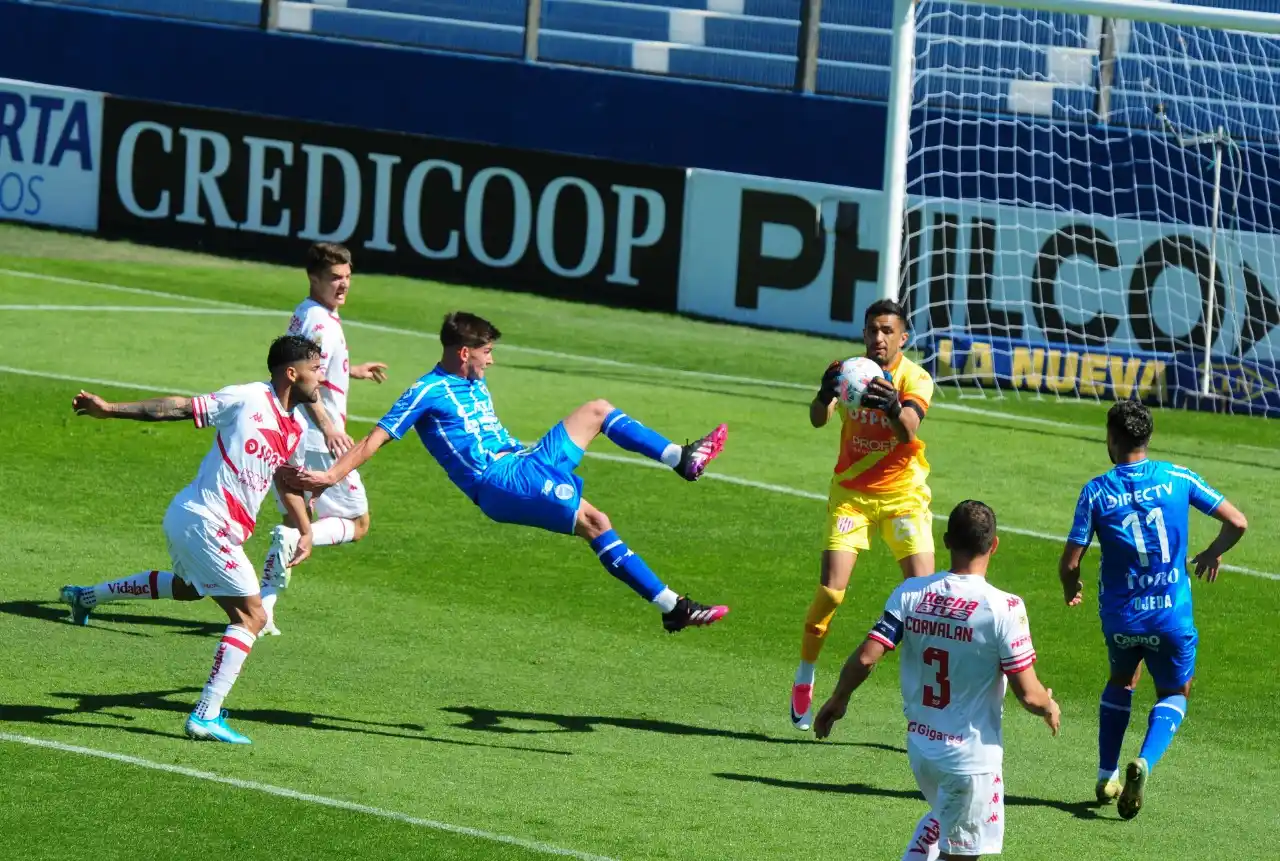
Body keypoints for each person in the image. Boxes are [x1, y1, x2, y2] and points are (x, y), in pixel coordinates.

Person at [288, 311, 731, 634]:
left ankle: (680, 461)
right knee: (596, 521)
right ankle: (674, 604)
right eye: (487, 353)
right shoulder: (426, 391)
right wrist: (329, 477)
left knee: (598, 412)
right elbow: (375, 439)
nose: (491, 361)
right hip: (500, 482)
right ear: (464, 352)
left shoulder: (473, 381)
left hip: (524, 459)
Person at [58, 335, 324, 744]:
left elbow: (285, 481)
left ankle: (86, 597)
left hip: (198, 521)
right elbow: (179, 407)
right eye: (316, 369)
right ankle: (206, 714)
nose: (322, 377)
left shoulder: (296, 428)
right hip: (205, 521)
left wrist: (305, 529)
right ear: (292, 373)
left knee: (189, 589)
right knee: (252, 617)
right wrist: (110, 410)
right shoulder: (249, 398)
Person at [814, 500, 1060, 861]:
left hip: (922, 750)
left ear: (946, 541)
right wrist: (1049, 705)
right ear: (994, 545)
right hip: (969, 761)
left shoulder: (911, 592)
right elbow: (1030, 695)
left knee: (944, 818)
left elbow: (867, 657)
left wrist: (839, 698)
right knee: (961, 855)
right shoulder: (1004, 608)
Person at [1059, 399, 1247, 818]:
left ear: (1111, 439)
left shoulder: (1096, 491)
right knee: (1175, 692)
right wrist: (1212, 553)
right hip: (1170, 616)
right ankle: (1143, 761)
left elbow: (1070, 563)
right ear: (1148, 437)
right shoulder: (1178, 476)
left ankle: (1106, 774)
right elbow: (1237, 522)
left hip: (1122, 618)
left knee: (1122, 680)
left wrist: (1072, 587)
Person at [792, 298, 937, 731]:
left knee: (924, 600)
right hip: (851, 496)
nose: (879, 338)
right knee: (831, 592)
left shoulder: (916, 378)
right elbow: (818, 420)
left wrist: (892, 406)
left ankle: (925, 700)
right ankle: (805, 673)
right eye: (872, 330)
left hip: (903, 497)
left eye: (887, 331)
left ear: (903, 337)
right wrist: (824, 393)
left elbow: (907, 430)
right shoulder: (849, 371)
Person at [259, 242, 389, 636]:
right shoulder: (321, 323)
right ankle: (301, 539)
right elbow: (302, 381)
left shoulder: (307, 312)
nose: (343, 284)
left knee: (293, 518)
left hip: (293, 431)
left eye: (347, 277)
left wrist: (350, 370)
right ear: (314, 278)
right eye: (335, 277)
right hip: (317, 438)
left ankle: (263, 610)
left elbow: (304, 367)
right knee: (357, 523)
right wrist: (330, 427)